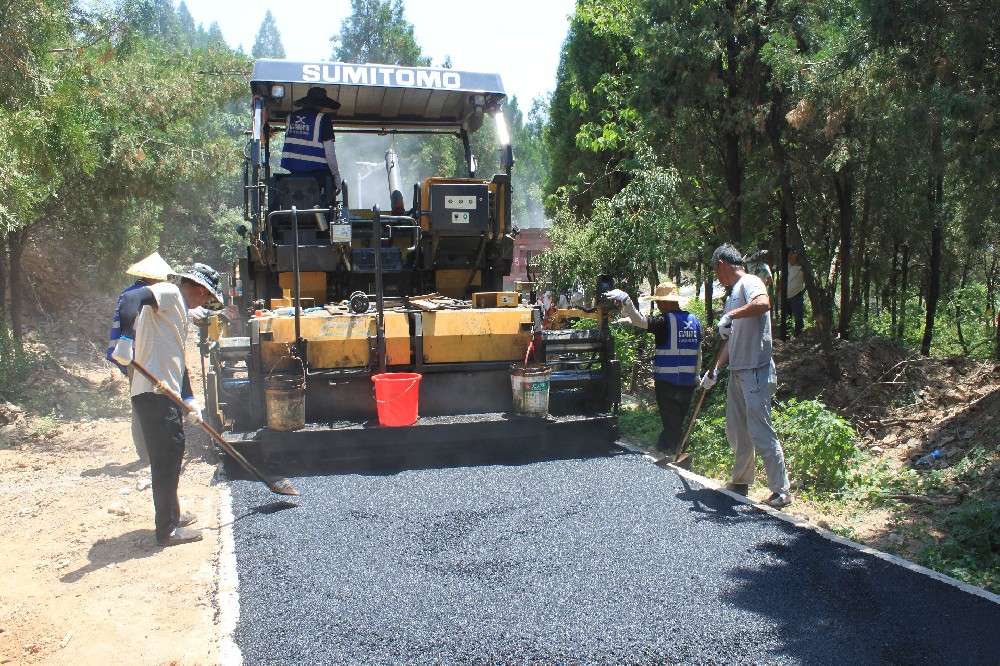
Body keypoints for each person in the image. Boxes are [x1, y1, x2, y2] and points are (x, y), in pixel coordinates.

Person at [111, 263, 223, 546]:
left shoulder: (176, 311)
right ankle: (167, 530)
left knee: (172, 454)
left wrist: (189, 398)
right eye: (206, 298)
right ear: (200, 290)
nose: (204, 303)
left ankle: (172, 515)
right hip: (153, 392)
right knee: (166, 459)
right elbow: (131, 298)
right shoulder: (170, 292)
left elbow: (176, 359)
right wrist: (124, 339)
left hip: (164, 392)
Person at [700, 244, 792, 508]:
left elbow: (763, 303)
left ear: (722, 265)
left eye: (715, 272)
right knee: (737, 431)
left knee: (760, 430)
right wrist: (715, 369)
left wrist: (730, 314)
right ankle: (740, 481)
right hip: (737, 371)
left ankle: (781, 491)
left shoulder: (750, 282)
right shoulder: (732, 296)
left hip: (755, 370)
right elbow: (731, 340)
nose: (716, 278)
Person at [607, 283, 702, 459]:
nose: (657, 305)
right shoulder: (694, 321)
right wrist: (697, 375)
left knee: (671, 421)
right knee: (676, 420)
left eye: (659, 301)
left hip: (667, 381)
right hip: (688, 382)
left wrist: (627, 301)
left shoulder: (664, 321)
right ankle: (661, 447)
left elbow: (639, 321)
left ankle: (678, 453)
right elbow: (699, 350)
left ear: (666, 303)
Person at [107, 252, 175, 464]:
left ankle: (148, 450)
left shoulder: (130, 292)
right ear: (154, 277)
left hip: (137, 357)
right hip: (140, 357)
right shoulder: (141, 294)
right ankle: (147, 452)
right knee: (145, 402)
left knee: (142, 401)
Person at [280, 86, 342, 197]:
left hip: (293, 175)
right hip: (318, 178)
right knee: (328, 194)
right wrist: (337, 178)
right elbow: (329, 153)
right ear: (322, 104)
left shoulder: (290, 118)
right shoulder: (323, 119)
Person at [786, 246, 806, 337]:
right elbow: (782, 280)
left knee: (798, 318)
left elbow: (808, 281)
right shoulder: (786, 266)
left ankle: (799, 336)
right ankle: (787, 336)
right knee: (787, 318)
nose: (790, 256)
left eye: (792, 254)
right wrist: (776, 293)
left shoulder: (801, 268)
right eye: (789, 254)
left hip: (797, 296)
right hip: (786, 296)